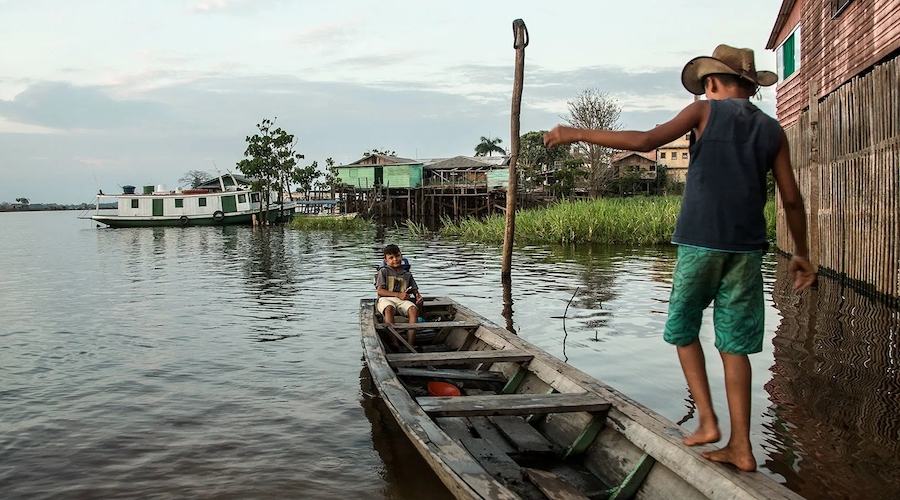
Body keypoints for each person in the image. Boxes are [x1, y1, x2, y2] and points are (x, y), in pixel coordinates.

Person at [544, 45, 817, 472]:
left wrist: (576, 133)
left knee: (683, 328)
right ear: (749, 86)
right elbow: (792, 199)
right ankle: (742, 447)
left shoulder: (703, 111)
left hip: (701, 242)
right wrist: (801, 252)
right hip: (747, 250)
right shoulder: (772, 129)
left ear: (712, 83)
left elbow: (645, 142)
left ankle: (707, 421)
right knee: (735, 345)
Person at [375, 244, 424, 350]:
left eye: (397, 256)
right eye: (391, 258)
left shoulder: (407, 274)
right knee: (389, 309)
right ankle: (394, 342)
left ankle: (410, 343)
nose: (395, 259)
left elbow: (415, 291)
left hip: (402, 300)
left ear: (401, 256)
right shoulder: (384, 271)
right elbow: (380, 291)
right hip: (386, 298)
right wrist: (398, 294)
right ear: (386, 260)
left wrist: (418, 297)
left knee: (413, 309)